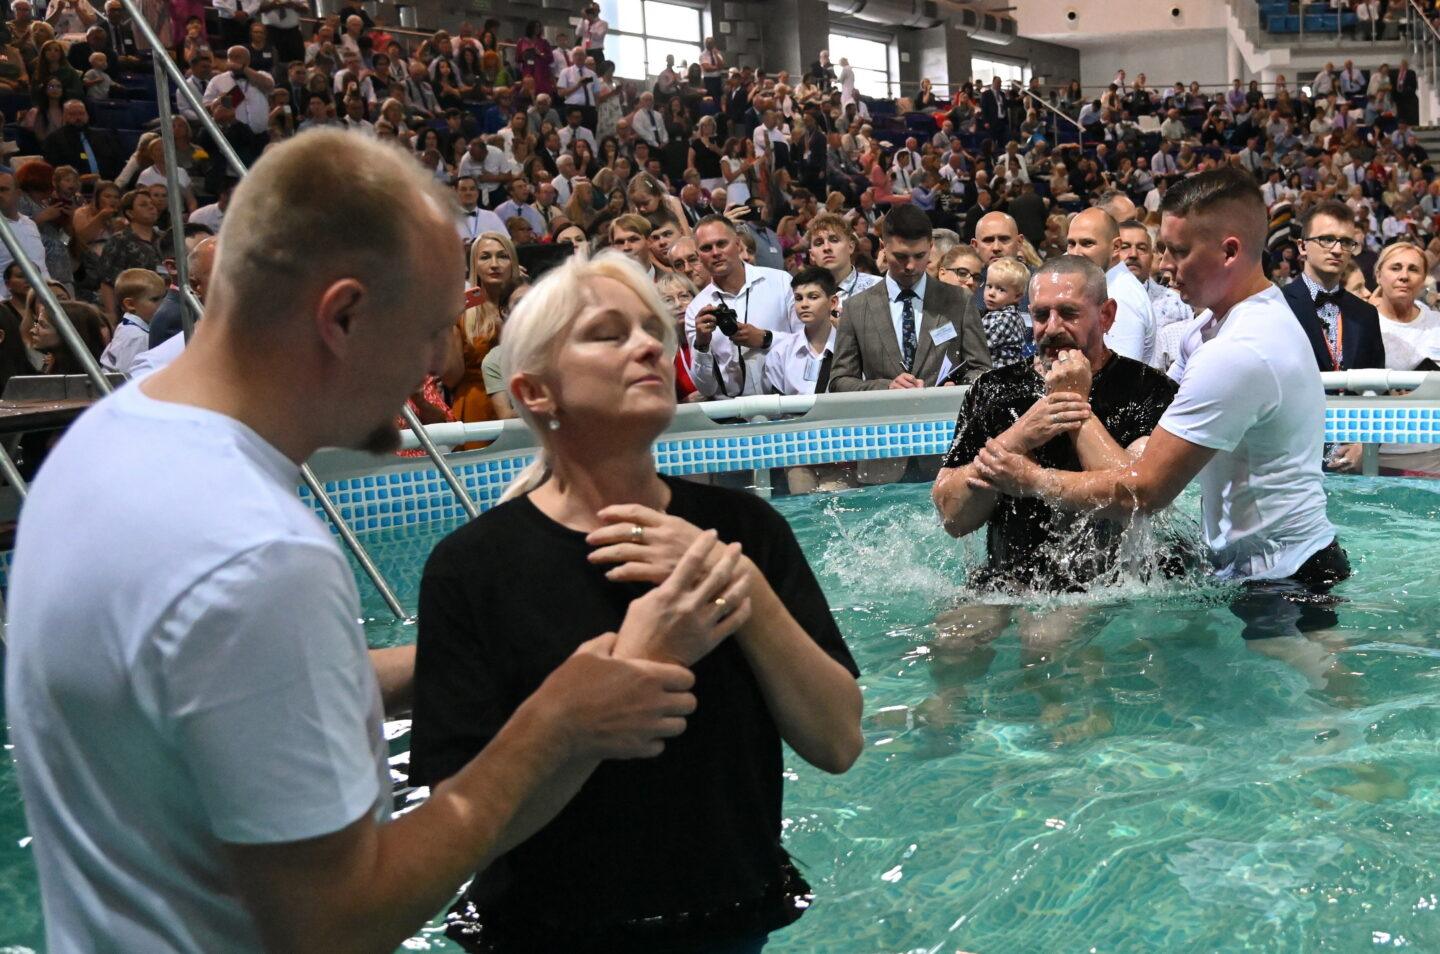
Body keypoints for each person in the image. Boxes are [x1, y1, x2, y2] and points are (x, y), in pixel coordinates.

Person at [7, 129, 715, 954]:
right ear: (342, 316)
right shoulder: (260, 554)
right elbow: (338, 923)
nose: (437, 362)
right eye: (429, 330)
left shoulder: (107, 443)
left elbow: (222, 691)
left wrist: (487, 656)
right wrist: (557, 724)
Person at [409, 251, 861, 954]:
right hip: (544, 933)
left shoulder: (744, 531)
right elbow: (460, 832)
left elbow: (838, 742)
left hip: (729, 920)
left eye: (652, 329)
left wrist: (738, 584)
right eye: (607, 334)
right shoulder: (474, 569)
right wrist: (602, 700)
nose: (649, 345)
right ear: (535, 392)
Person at [972, 167, 1349, 641]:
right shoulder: (1215, 326)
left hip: (1290, 577)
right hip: (1264, 566)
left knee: (1318, 687)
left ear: (1229, 251)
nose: (1164, 265)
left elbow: (1144, 493)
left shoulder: (1239, 350)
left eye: (1178, 250)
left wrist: (1032, 477)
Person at [933, 254, 1179, 593]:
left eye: (1068, 313)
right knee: (953, 626)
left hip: (1108, 590)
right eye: (1040, 315)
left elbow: (1134, 504)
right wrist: (1018, 437)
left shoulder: (1148, 389)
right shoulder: (993, 390)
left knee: (1056, 626)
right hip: (1006, 585)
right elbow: (952, 518)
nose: (1051, 328)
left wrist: (1073, 405)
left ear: (1106, 315)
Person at [830, 203, 990, 393]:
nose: (910, 266)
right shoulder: (856, 308)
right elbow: (839, 381)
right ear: (882, 247)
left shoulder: (959, 301)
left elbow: (982, 370)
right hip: (884, 412)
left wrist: (959, 385)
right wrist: (885, 387)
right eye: (901, 256)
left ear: (931, 247)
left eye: (920, 256)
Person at [685, 214, 798, 398]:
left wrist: (766, 338)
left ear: (738, 244)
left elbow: (807, 346)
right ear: (698, 256)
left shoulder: (781, 282)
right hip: (731, 411)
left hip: (786, 404)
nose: (715, 252)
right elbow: (706, 389)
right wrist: (702, 345)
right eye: (706, 248)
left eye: (721, 244)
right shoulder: (696, 310)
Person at [1283, 200, 1386, 374]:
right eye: (1327, 239)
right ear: (1302, 246)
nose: (1337, 250)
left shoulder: (1366, 314)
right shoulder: (1278, 305)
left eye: (1346, 242)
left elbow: (1376, 381)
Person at [1064, 207, 1157, 364]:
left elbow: (1121, 371)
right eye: (1071, 244)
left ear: (1115, 247)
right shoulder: (1104, 287)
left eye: (1087, 243)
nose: (1076, 253)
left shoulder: (1122, 296)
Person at [98, 267, 165, 374]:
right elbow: (128, 376)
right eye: (155, 299)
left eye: (164, 298)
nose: (163, 304)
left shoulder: (128, 326)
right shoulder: (136, 336)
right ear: (130, 304)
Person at [806, 212, 881, 305]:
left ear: (850, 246)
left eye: (834, 240)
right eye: (819, 243)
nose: (826, 247)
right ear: (812, 255)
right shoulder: (802, 294)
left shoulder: (877, 287)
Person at [41, 98, 123, 179]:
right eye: (72, 114)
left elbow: (117, 161)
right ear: (64, 117)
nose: (78, 118)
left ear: (87, 115)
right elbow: (55, 170)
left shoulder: (103, 136)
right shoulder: (54, 140)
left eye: (81, 113)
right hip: (75, 183)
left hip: (107, 182)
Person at [0, 171, 50, 302]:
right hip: (7, 306)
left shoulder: (29, 224)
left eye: (3, 190)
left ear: (18, 194)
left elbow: (41, 265)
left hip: (42, 302)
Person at [977, 256, 1031, 369]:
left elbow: (977, 346)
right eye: (989, 286)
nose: (991, 293)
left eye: (1001, 289)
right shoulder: (1015, 316)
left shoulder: (1002, 318)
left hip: (996, 373)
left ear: (1017, 296)